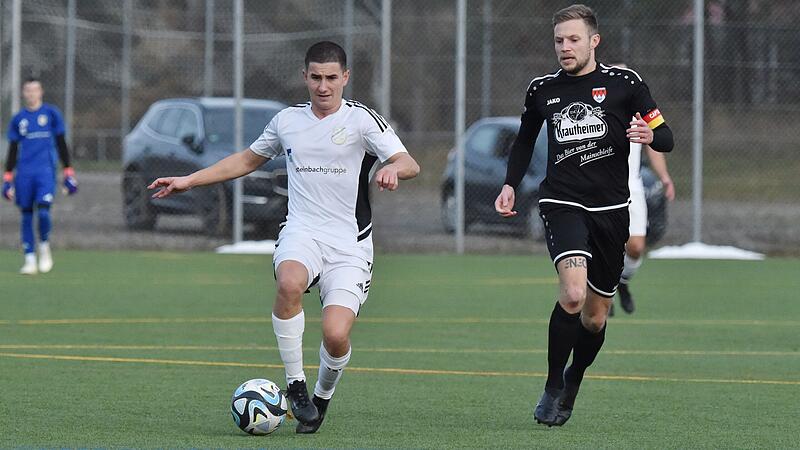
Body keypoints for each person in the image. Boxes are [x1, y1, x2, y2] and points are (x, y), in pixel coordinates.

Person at [148, 41, 419, 434]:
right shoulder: (287, 121)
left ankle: (321, 398)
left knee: (336, 334)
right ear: (304, 76)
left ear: (345, 78)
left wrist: (394, 169)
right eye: (315, 77)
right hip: (302, 231)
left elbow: (408, 161)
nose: (323, 87)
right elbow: (247, 159)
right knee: (289, 281)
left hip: (350, 244)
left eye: (331, 78)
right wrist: (189, 180)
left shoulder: (363, 121)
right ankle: (296, 385)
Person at [494, 4, 673, 426]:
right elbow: (523, 143)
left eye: (573, 39)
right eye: (559, 40)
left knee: (594, 318)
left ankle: (574, 378)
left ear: (594, 41)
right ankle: (553, 384)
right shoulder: (542, 89)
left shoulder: (625, 83)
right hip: (562, 202)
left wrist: (651, 135)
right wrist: (509, 184)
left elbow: (665, 135)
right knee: (572, 294)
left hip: (612, 210)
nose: (565, 48)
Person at [4, 77, 78, 275]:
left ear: (41, 91)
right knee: (27, 215)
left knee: (44, 212)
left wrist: (68, 171)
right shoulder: (18, 119)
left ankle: (44, 246)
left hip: (45, 172)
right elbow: (12, 149)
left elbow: (62, 143)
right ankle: (29, 259)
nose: (31, 94)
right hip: (24, 174)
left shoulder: (51, 114)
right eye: (28, 90)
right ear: (23, 93)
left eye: (35, 90)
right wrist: (8, 177)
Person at [612, 143, 675, 315]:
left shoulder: (639, 115)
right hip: (597, 187)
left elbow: (654, 140)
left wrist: (664, 177)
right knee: (602, 244)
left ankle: (622, 282)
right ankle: (603, 291)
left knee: (636, 248)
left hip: (631, 187)